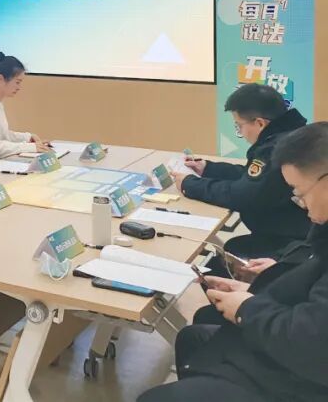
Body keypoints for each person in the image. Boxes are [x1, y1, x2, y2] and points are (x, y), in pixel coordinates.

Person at [138, 122, 328, 402]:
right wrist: (271, 276)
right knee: (193, 338)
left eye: (299, 193)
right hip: (288, 354)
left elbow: (311, 343)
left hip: (300, 379)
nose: (301, 204)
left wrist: (246, 308)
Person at [174, 83, 309, 262]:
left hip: (294, 240)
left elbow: (242, 195)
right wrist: (208, 168)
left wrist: (190, 184)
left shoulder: (275, 148)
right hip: (297, 229)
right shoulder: (292, 134)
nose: (240, 132)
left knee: (231, 251)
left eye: (239, 126)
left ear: (260, 123)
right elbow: (255, 178)